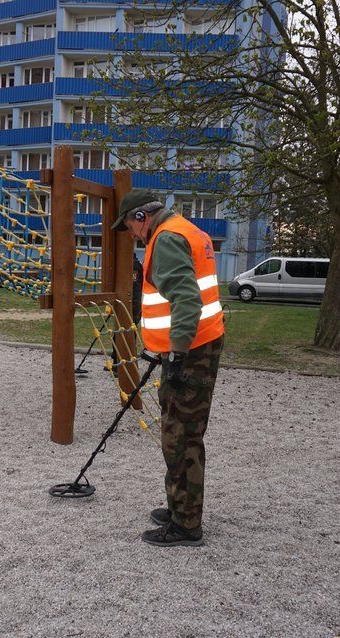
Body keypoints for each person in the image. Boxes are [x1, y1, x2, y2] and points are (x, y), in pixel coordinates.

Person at [112, 189, 225, 548]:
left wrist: (176, 353)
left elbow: (187, 300)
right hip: (200, 342)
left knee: (181, 435)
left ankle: (186, 524)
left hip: (191, 350)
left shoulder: (166, 240)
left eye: (130, 226)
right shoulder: (187, 230)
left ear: (141, 217)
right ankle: (180, 507)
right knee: (181, 430)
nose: (132, 234)